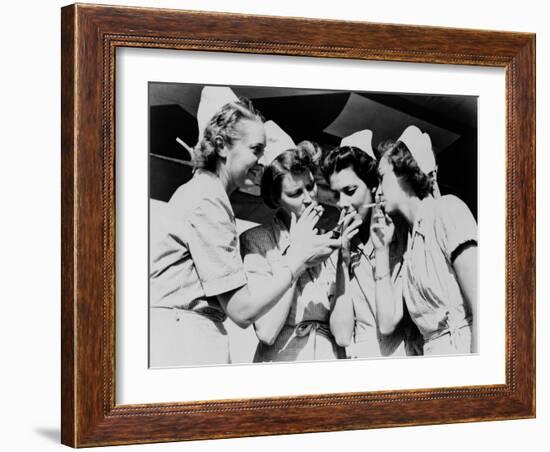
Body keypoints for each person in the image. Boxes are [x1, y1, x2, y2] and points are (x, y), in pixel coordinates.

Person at [149, 87, 339, 366]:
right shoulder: (208, 200)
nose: (264, 161)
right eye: (256, 150)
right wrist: (297, 258)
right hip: (186, 340)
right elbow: (241, 310)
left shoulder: (205, 194)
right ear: (222, 145)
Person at [240, 123, 348, 362]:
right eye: (295, 193)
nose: (309, 198)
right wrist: (297, 258)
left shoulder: (329, 241)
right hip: (282, 360)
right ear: (275, 199)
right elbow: (266, 331)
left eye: (310, 187)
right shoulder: (257, 241)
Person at [371, 125, 478, 355]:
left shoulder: (447, 210)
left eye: (382, 178)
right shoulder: (410, 243)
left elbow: (484, 304)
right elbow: (387, 322)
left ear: (405, 173)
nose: (377, 192)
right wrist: (381, 250)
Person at [321, 130, 419, 358]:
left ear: (374, 186)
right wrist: (341, 263)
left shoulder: (404, 233)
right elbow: (342, 336)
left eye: (350, 191)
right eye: (336, 195)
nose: (342, 204)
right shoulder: (336, 248)